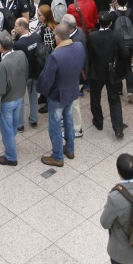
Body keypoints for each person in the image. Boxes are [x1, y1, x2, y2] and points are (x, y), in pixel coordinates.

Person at [37, 22, 85, 167]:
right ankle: (70, 149)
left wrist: (44, 92)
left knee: (55, 125)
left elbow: (47, 79)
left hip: (57, 95)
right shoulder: (79, 46)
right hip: (72, 90)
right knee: (69, 120)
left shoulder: (55, 55)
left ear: (57, 37)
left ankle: (57, 156)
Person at [86, 11, 125, 138]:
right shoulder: (117, 35)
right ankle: (118, 128)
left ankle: (98, 121)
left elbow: (89, 56)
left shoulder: (92, 36)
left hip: (96, 72)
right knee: (114, 99)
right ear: (111, 23)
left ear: (98, 21)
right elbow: (124, 54)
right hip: (112, 72)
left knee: (95, 97)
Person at [0, 30, 28, 166]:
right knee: (13, 126)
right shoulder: (21, 54)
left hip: (7, 102)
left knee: (6, 129)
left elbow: (0, 90)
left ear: (0, 46)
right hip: (20, 96)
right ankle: (11, 144)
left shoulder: (2, 66)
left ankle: (11, 157)